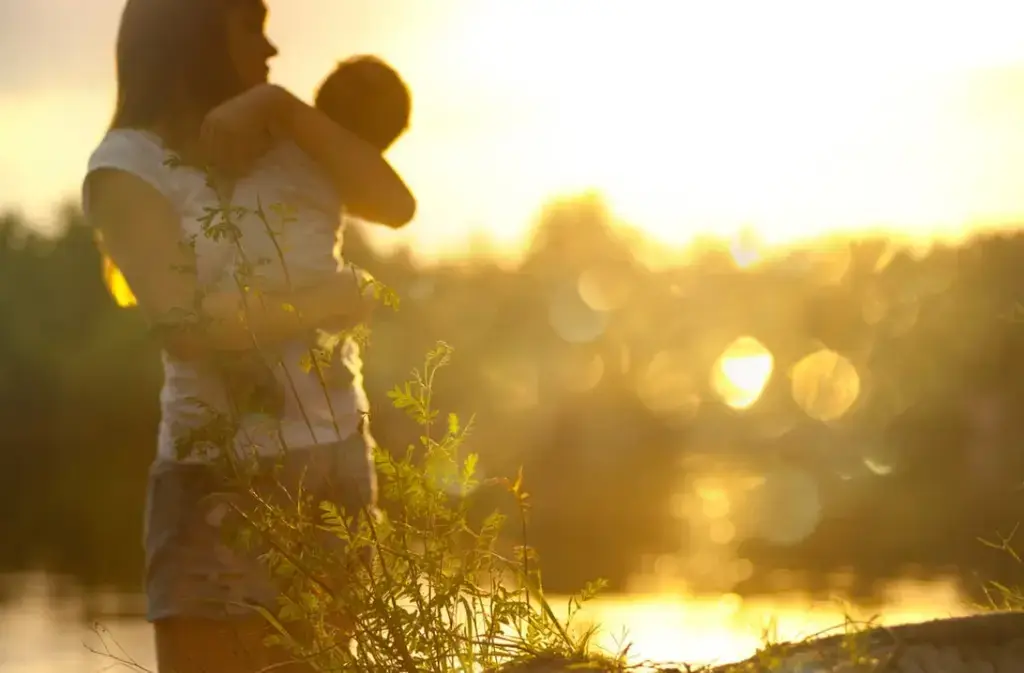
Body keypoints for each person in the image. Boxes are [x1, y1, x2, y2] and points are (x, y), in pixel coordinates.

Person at [80, 1, 415, 671]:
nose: (271, 49)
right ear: (194, 33)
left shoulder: (279, 135)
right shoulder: (127, 164)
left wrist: (284, 107)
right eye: (248, 25)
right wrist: (334, 295)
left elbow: (395, 204)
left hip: (333, 453)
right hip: (215, 476)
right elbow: (193, 330)